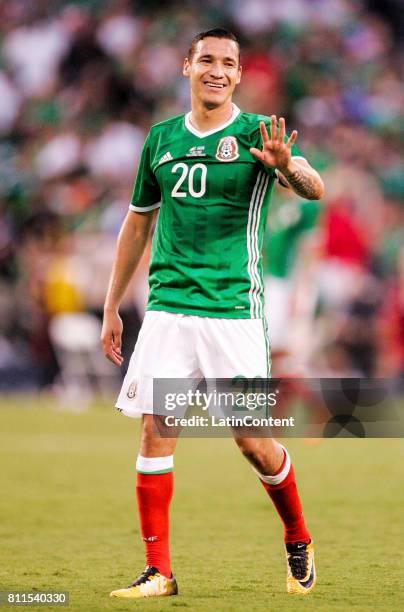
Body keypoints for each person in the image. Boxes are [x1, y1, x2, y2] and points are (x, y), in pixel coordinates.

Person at [101, 28, 324, 599]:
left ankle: (297, 534)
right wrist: (112, 306)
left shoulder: (257, 134)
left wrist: (286, 167)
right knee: (157, 431)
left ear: (240, 74)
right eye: (207, 60)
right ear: (187, 67)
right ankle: (159, 572)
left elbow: (313, 186)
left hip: (234, 310)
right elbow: (137, 224)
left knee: (252, 442)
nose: (217, 70)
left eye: (228, 62)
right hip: (170, 308)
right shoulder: (161, 140)